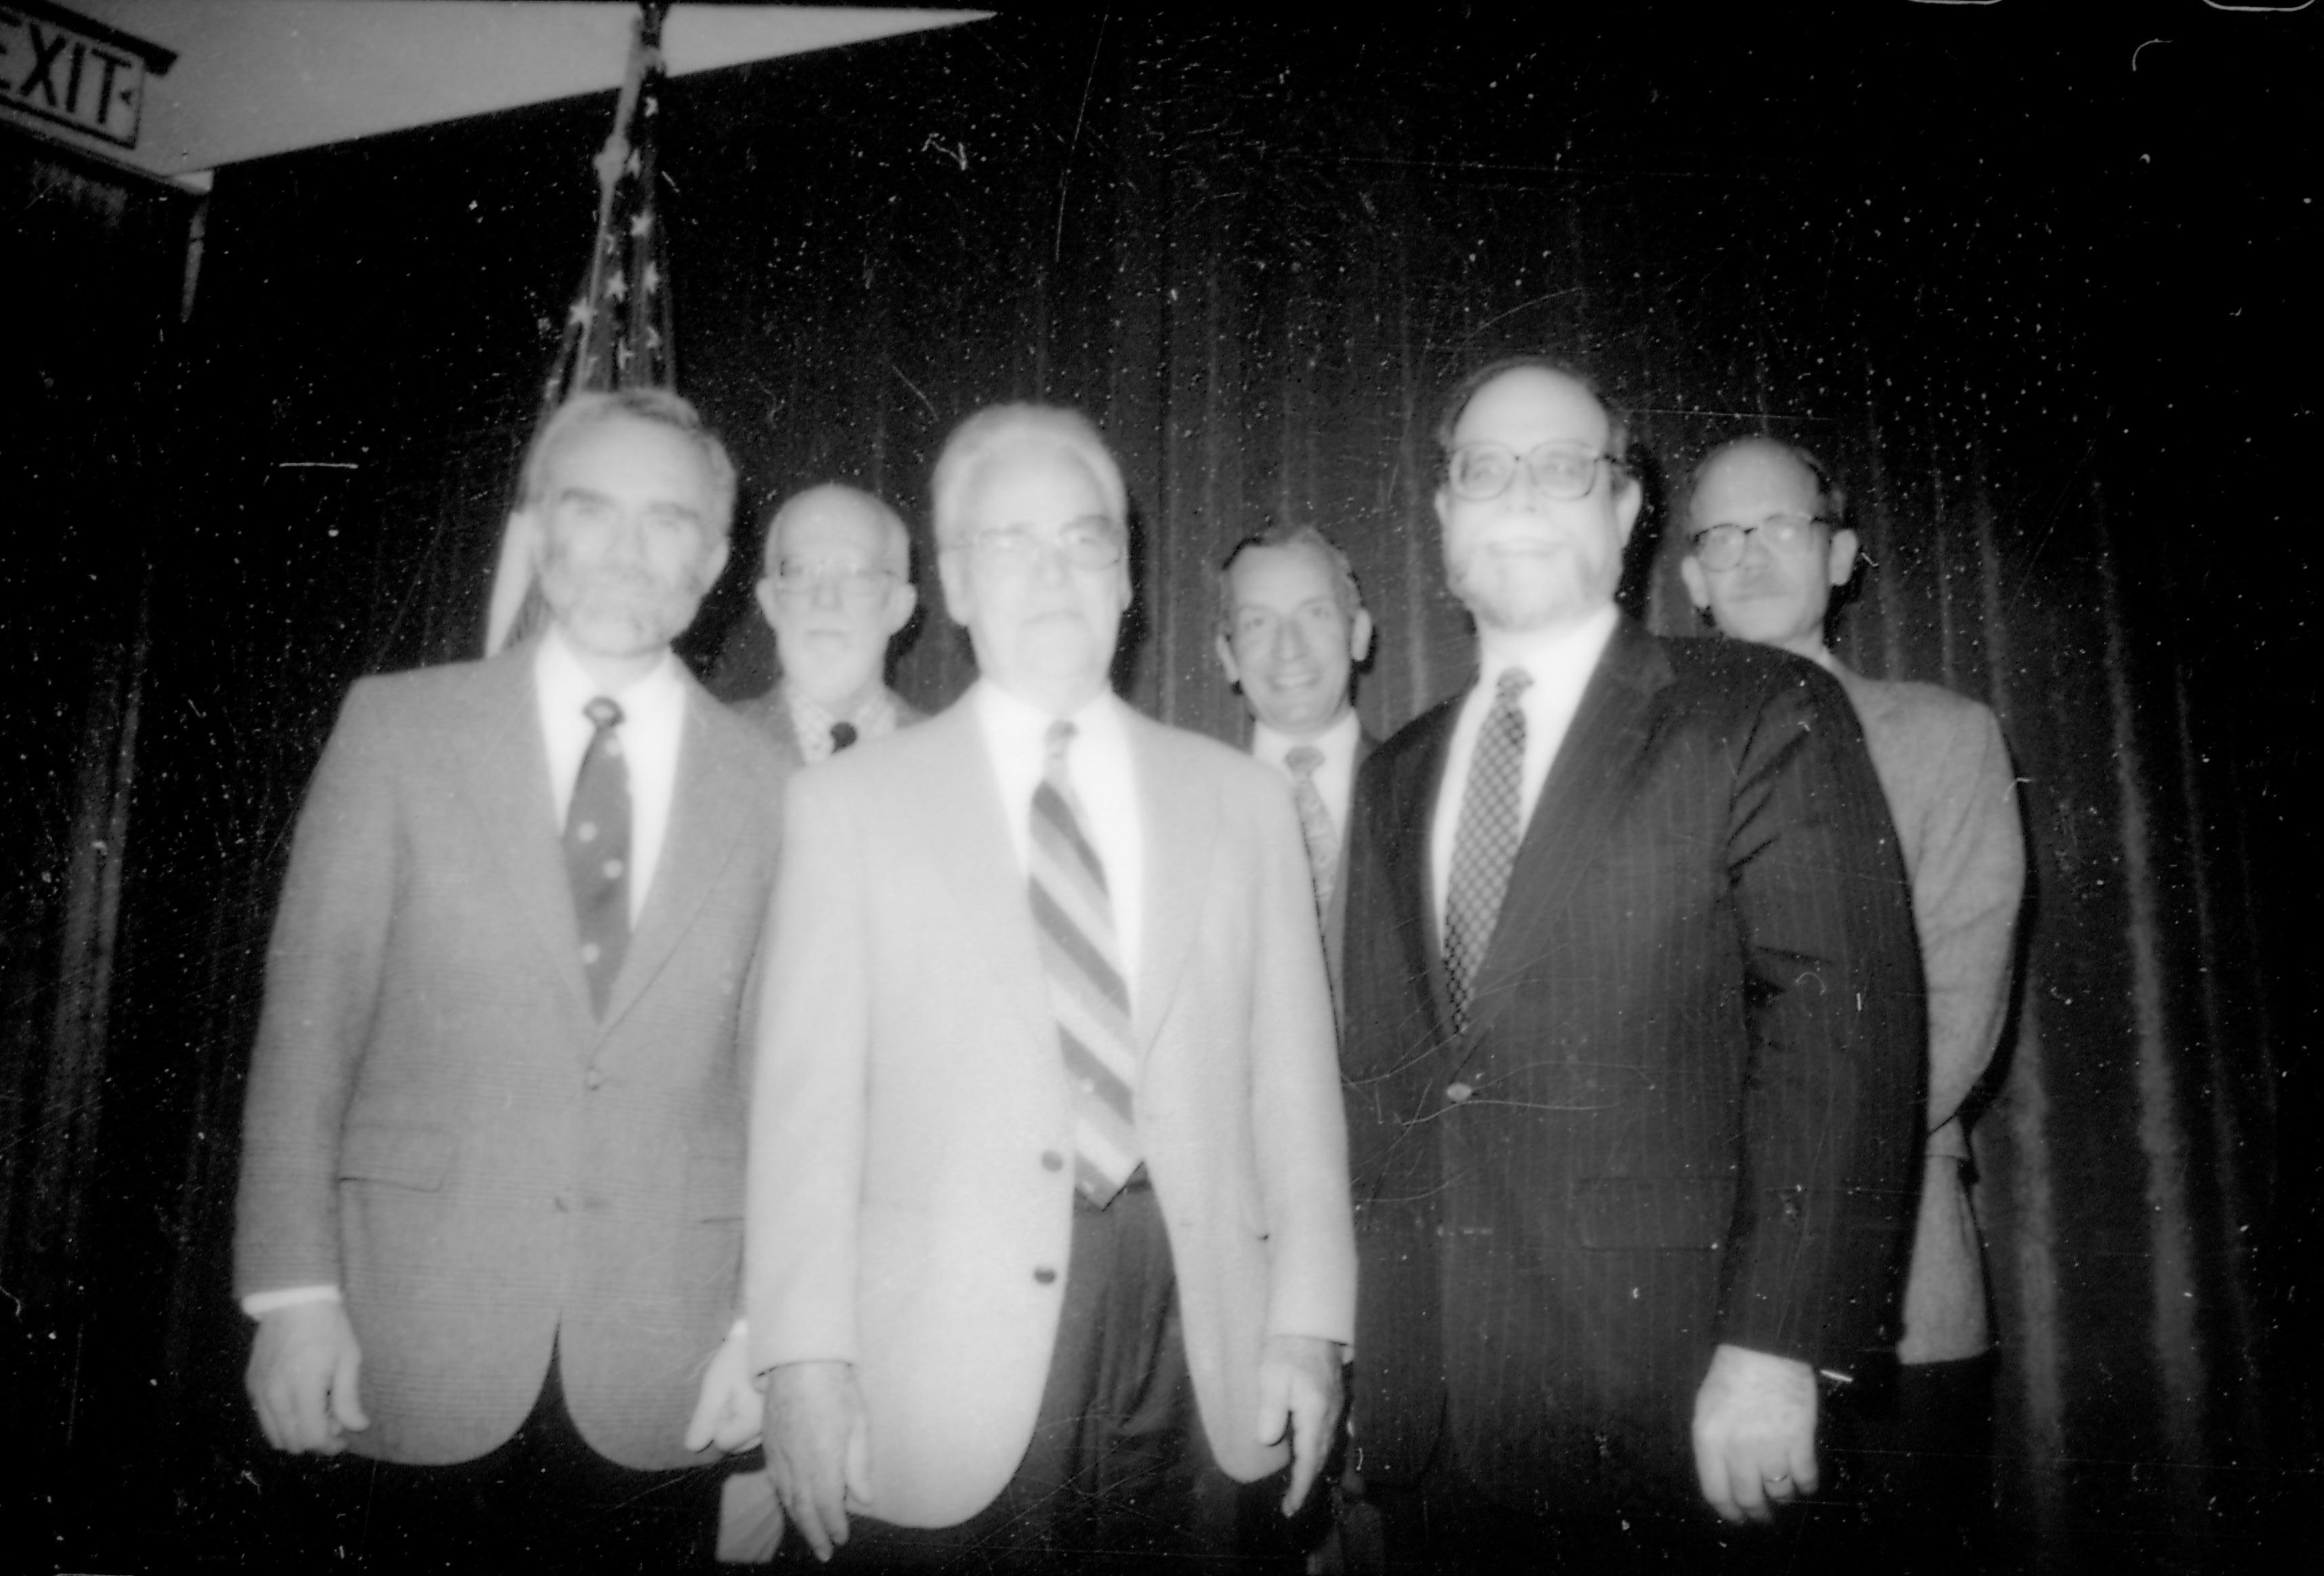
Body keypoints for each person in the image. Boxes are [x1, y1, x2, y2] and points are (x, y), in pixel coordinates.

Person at [745, 402, 1357, 1570]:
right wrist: (803, 1358)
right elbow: (801, 1116)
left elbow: (1296, 1096)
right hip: (938, 1346)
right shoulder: (848, 804)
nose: (1052, 572)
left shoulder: (1240, 802)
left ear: (1125, 577)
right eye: (1007, 544)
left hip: (1201, 1333)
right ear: (957, 585)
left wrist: (1313, 1320)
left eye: (1083, 540)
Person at [1338, 357, 1926, 1567]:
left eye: (1560, 467)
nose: (1516, 495)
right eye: (1482, 470)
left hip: (1667, 1409)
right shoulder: (1392, 773)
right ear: (1444, 517)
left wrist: (1776, 1347)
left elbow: (1842, 1032)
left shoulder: (1756, 708)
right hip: (1431, 1415)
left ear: (1622, 511)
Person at [233, 388, 786, 1569]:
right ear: (538, 529)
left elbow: (782, 1086)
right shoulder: (398, 728)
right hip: (407, 1331)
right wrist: (291, 1294)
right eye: (593, 511)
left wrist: (759, 1326)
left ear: (718, 558)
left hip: (662, 1356)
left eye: (670, 520)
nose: (630, 552)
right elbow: (308, 1025)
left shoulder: (777, 783)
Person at [1681, 435, 2025, 1569]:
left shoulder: (1946, 739)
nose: (1748, 552)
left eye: (1778, 523)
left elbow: (1952, 1024)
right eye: (1719, 534)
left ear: (1841, 555)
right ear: (1687, 578)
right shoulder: (1647, 770)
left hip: (1894, 1301)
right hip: (1674, 1307)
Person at [1215, 521, 1377, 1001]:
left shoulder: (1426, 794)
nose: (1290, 648)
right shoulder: (1189, 814)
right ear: (1227, 655)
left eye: (1315, 614)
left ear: (1359, 634)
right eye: (1258, 623)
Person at [735, 483, 924, 764]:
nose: (825, 599)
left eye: (857, 573)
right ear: (770, 601)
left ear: (899, 606)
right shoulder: (708, 751)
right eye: (800, 571)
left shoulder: (955, 763)